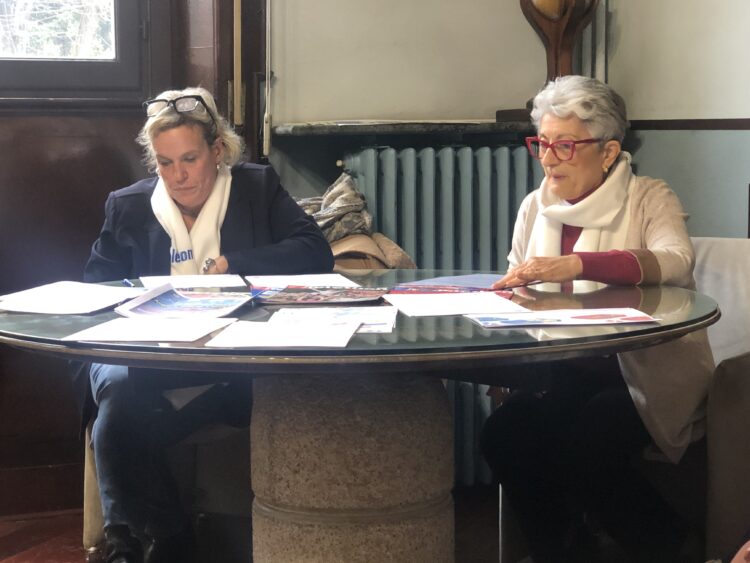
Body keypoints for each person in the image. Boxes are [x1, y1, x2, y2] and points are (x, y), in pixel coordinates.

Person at [74, 86, 334, 563]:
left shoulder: (256, 188)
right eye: (165, 163)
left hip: (230, 359)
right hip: (146, 357)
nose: (179, 176)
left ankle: (147, 538)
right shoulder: (128, 206)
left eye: (190, 159)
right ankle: (139, 541)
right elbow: (96, 291)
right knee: (115, 386)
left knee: (121, 420)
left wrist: (234, 266)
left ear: (217, 150)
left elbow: (314, 252)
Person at [480, 75, 714, 563]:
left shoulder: (649, 197)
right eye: (541, 144)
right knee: (505, 433)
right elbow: (517, 281)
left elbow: (676, 261)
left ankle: (672, 546)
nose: (548, 159)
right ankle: (560, 550)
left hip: (643, 375)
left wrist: (579, 265)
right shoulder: (535, 206)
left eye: (564, 145)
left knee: (590, 437)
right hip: (563, 369)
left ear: (607, 152)